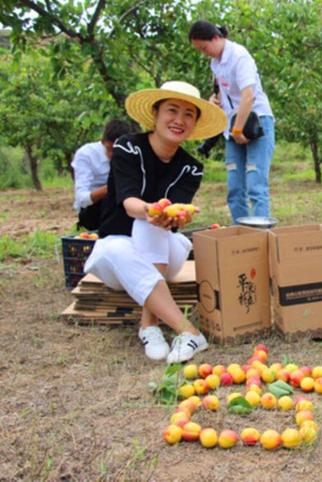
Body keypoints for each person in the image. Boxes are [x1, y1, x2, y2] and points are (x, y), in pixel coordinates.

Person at [83, 81, 227, 363]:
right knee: (126, 239)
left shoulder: (190, 167)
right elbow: (128, 201)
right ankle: (188, 331)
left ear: (195, 123)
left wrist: (175, 216)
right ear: (155, 114)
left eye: (189, 114)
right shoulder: (128, 147)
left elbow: (175, 213)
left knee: (157, 222)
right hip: (118, 256)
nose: (179, 120)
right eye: (172, 110)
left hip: (163, 255)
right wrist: (151, 210)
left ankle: (149, 324)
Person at [189, 20, 275, 223]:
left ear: (216, 38)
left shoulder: (239, 56)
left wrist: (238, 131)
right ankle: (242, 237)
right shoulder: (215, 63)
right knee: (235, 189)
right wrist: (214, 99)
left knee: (256, 185)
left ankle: (261, 237)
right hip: (233, 128)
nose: (204, 52)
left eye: (204, 47)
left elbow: (248, 96)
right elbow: (223, 91)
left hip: (256, 124)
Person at [71, 119, 135, 230]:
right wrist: (112, 186)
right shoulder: (86, 155)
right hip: (93, 212)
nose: (112, 155)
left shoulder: (130, 155)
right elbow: (82, 199)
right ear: (102, 141)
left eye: (116, 151)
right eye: (109, 149)